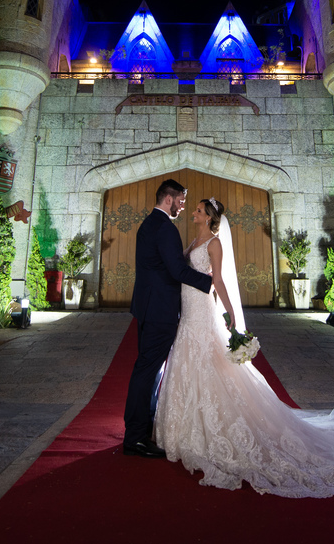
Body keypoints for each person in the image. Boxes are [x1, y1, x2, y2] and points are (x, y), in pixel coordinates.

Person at [154, 197, 334, 497]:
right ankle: (185, 426)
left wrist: (230, 313)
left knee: (211, 363)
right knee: (190, 361)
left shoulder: (215, 244)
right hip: (188, 310)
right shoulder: (194, 240)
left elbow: (218, 279)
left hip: (203, 310)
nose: (193, 212)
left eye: (199, 210)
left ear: (208, 217)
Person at [122, 179, 214, 458]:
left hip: (148, 307)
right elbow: (176, 271)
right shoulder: (165, 228)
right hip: (160, 311)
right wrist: (209, 283)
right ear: (169, 199)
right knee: (147, 370)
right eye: (182, 201)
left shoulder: (149, 224)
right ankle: (135, 437)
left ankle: (142, 428)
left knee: (149, 369)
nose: (184, 207)